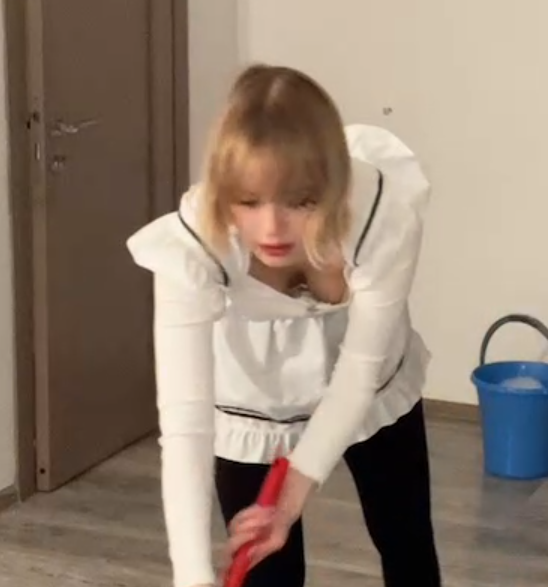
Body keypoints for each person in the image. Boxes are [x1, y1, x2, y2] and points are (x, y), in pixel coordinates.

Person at [127, 63, 441, 587]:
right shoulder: (193, 247)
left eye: (301, 200)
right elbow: (185, 426)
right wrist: (192, 575)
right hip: (254, 400)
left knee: (406, 542)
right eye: (248, 201)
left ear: (332, 186)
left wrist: (295, 495)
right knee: (266, 573)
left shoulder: (380, 214)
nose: (271, 227)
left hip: (370, 384)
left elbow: (359, 372)